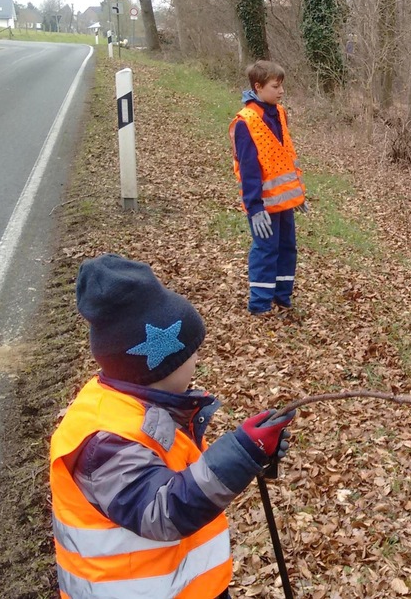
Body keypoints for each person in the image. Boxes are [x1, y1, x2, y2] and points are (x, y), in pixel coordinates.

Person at [50, 253, 296, 598]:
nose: (197, 359)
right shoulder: (104, 442)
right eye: (191, 352)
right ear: (160, 366)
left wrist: (254, 454)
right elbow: (163, 511)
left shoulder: (145, 407)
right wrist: (240, 454)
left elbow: (180, 470)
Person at [230, 60, 308, 317]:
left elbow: (286, 156)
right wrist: (254, 208)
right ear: (258, 87)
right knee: (265, 250)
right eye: (276, 86)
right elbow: (249, 169)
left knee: (287, 248)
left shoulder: (280, 114)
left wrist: (298, 193)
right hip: (262, 205)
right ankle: (260, 304)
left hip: (285, 201)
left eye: (282, 85)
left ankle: (282, 296)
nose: (281, 91)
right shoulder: (246, 122)